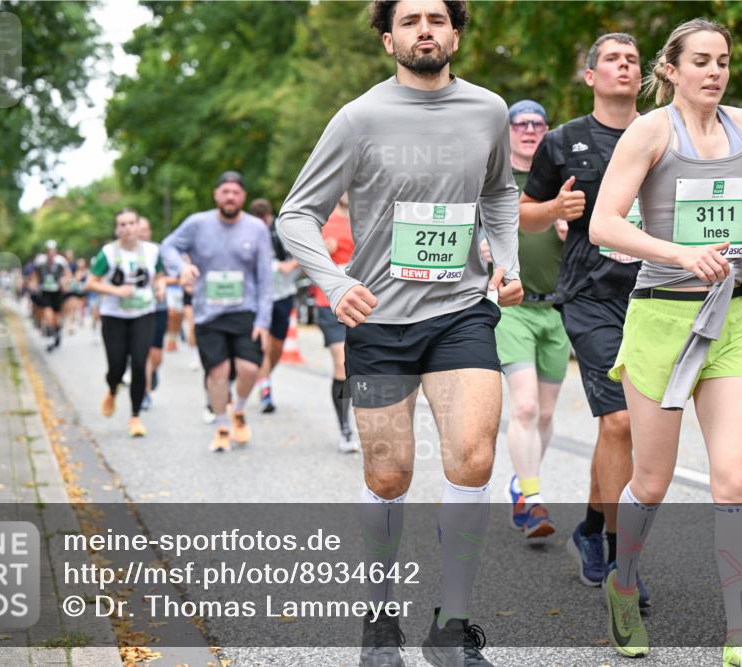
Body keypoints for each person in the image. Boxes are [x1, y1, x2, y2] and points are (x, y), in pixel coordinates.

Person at [277, 2, 522, 665]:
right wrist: (333, 280)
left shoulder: (489, 111)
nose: (425, 29)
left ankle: (451, 623)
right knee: (389, 474)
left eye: (437, 18)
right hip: (380, 321)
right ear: (388, 38)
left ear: (456, 33)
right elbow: (297, 214)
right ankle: (380, 613)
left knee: (473, 456)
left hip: (461, 313)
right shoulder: (359, 118)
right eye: (410, 19)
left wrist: (507, 261)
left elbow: (499, 192)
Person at [589, 18, 742, 666]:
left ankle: (739, 637)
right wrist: (678, 252)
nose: (715, 72)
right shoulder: (650, 131)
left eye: (723, 60)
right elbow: (602, 224)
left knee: (732, 480)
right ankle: (622, 584)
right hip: (661, 319)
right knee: (652, 479)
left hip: (730, 318)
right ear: (670, 68)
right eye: (700, 60)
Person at [519, 33, 650, 601]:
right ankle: (624, 561)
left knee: (627, 430)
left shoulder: (664, 134)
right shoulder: (562, 141)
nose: (624, 66)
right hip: (592, 297)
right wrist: (555, 209)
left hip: (656, 296)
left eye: (632, 60)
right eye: (612, 60)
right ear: (591, 75)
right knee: (619, 422)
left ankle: (593, 529)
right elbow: (524, 215)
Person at [484, 99, 569, 539]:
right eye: (521, 123)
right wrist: (478, 248)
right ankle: (532, 499)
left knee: (547, 413)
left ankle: (520, 480)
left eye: (539, 123)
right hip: (511, 307)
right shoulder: (494, 178)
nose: (530, 130)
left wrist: (570, 229)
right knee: (526, 405)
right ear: (508, 130)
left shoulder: (558, 180)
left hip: (557, 308)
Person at [160, 171, 273, 453]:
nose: (230, 197)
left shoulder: (256, 229)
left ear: (243, 197)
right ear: (216, 195)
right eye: (225, 192)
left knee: (249, 368)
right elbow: (168, 246)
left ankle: (240, 409)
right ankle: (222, 425)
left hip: (244, 308)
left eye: (236, 192)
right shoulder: (198, 224)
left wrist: (263, 319)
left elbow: (265, 279)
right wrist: (181, 268)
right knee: (219, 371)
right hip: (207, 312)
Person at [85, 209, 167, 438]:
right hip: (114, 317)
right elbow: (90, 283)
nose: (128, 228)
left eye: (132, 223)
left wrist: (160, 288)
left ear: (138, 226)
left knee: (140, 363)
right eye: (123, 224)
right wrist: (115, 290)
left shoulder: (152, 251)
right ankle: (112, 388)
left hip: (144, 313)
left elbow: (159, 275)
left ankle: (135, 416)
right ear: (117, 229)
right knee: (117, 367)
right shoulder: (108, 254)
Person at [313, 194, 359, 453]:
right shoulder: (322, 222)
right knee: (342, 364)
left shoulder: (369, 220)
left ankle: (369, 424)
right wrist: (322, 251)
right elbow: (303, 260)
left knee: (362, 368)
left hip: (364, 302)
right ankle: (345, 428)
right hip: (329, 303)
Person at [250, 198, 300, 414]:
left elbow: (301, 252)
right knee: (264, 346)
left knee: (277, 349)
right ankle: (266, 391)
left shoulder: (281, 228)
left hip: (283, 294)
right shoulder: (248, 231)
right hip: (260, 297)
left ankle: (265, 377)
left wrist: (290, 265)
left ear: (269, 217)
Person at [138, 216, 172, 412]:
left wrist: (161, 285)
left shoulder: (158, 251)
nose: (143, 234)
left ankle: (153, 372)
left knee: (156, 355)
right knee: (144, 352)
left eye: (146, 230)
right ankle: (144, 393)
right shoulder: (127, 253)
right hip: (137, 309)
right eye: (139, 230)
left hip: (158, 307)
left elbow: (170, 275)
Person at [33, 240, 72, 352]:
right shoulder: (40, 261)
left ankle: (57, 331)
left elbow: (68, 275)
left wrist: (64, 281)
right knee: (47, 314)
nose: (51, 253)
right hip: (45, 292)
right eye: (48, 251)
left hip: (57, 292)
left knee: (56, 318)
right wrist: (35, 284)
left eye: (53, 251)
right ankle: (50, 337)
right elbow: (35, 275)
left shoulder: (61, 261)